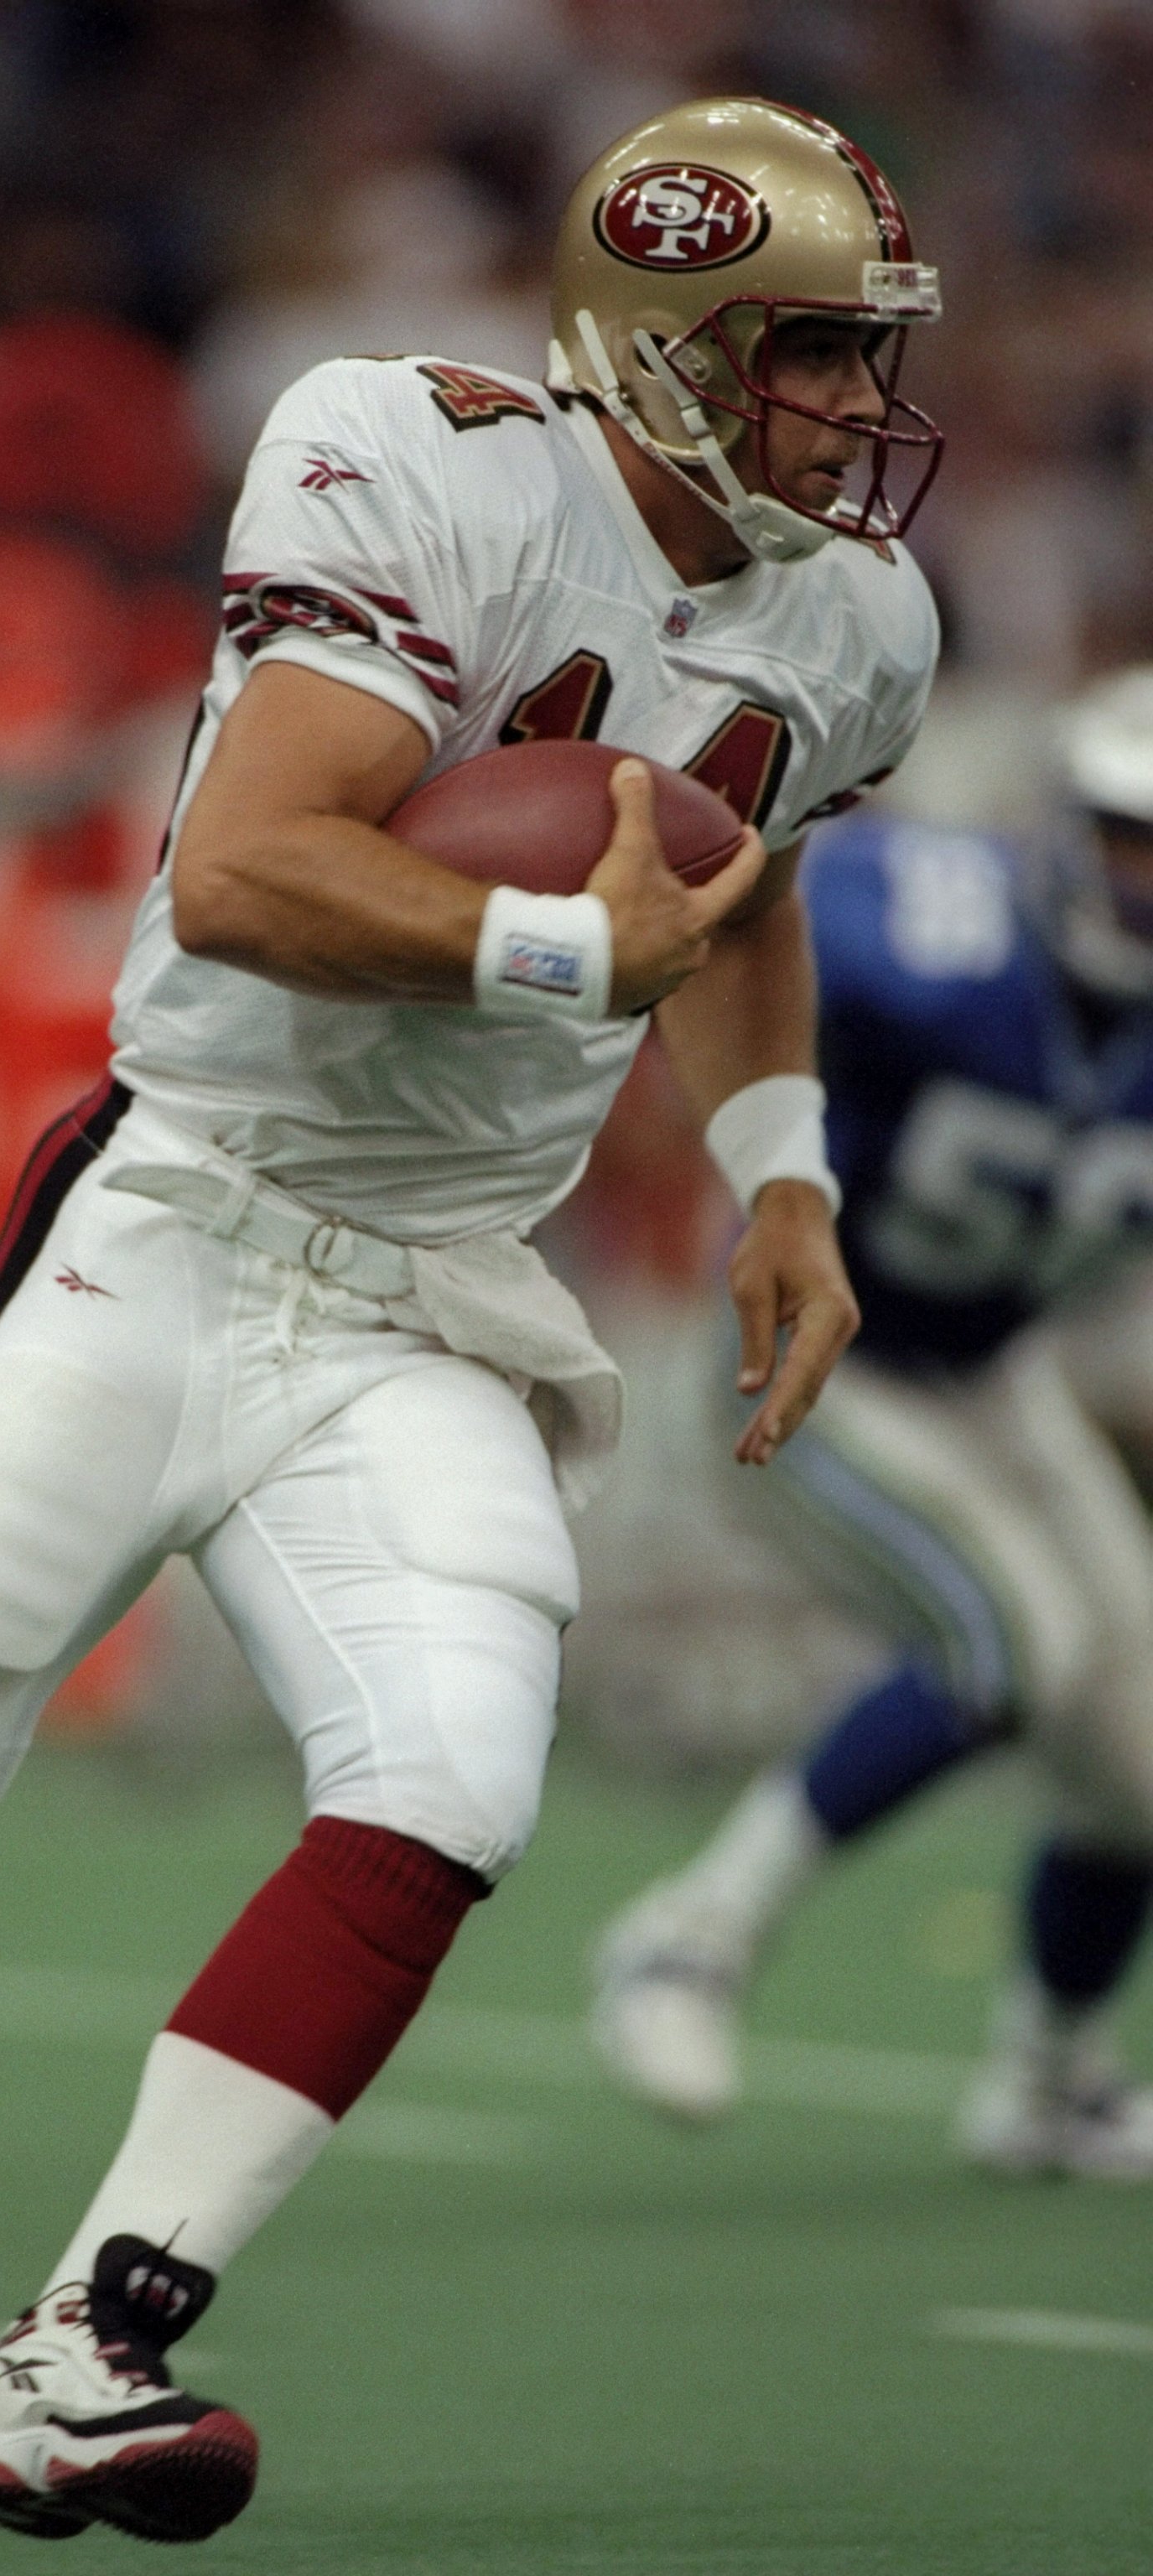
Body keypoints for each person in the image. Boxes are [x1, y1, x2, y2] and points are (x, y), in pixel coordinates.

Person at [0, 99, 938, 2545]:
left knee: (453, 1779)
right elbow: (244, 875)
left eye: (876, 358)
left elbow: (733, 881)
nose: (863, 411)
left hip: (431, 1298)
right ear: (666, 355)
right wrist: (565, 950)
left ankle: (87, 2344)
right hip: (183, 1223)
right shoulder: (414, 457)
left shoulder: (855, 618)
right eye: (815, 359)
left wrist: (782, 1174)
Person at [594, 667, 1153, 2181]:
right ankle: (690, 1938)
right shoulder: (932, 928)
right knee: (1018, 1635)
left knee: (1140, 1758)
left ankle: (1048, 2081)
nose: (1139, 880)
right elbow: (729, 933)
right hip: (815, 1353)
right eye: (1125, 836)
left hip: (998, 1372)